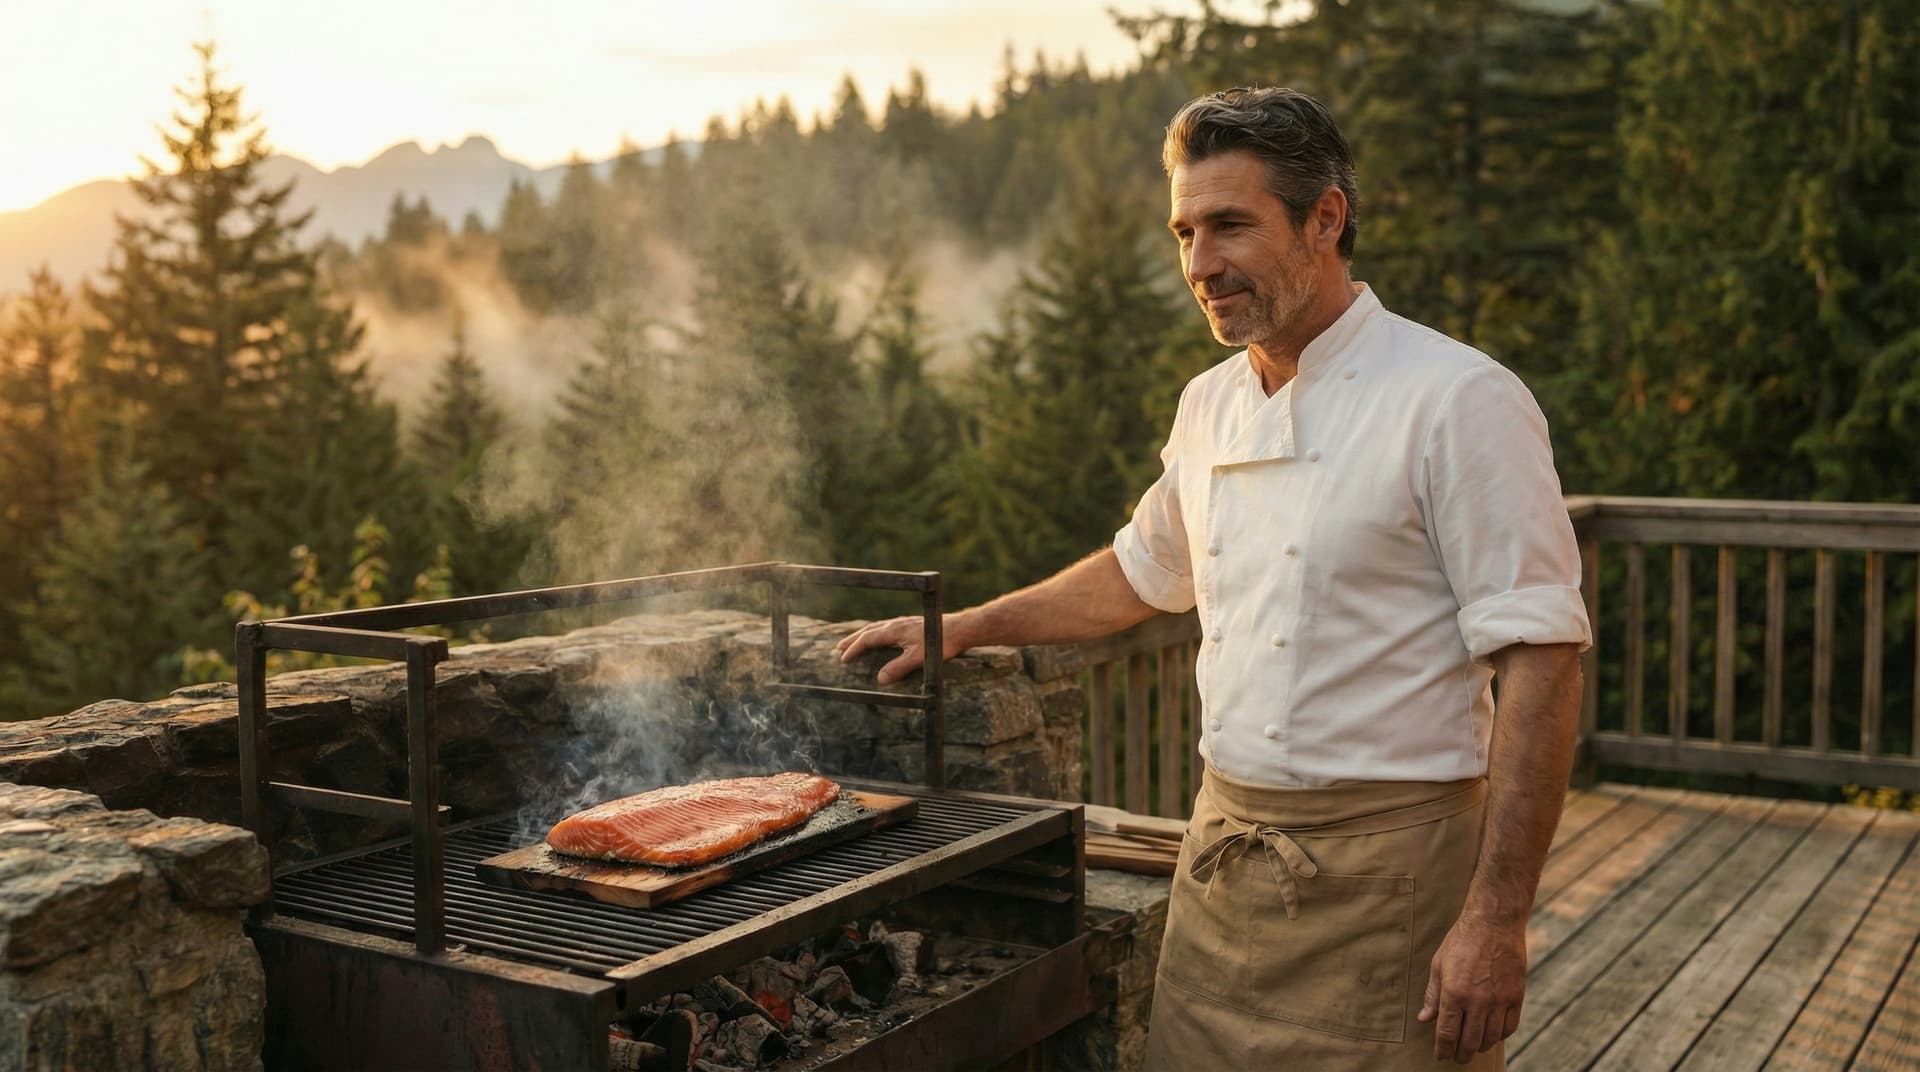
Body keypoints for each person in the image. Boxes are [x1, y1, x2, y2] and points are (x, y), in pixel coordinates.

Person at [836, 86, 1589, 1069]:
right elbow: (1141, 573)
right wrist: (970, 625)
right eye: (1185, 231)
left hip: (1389, 884)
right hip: (1222, 865)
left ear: (1326, 219)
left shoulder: (1459, 401)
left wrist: (1497, 919)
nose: (1200, 265)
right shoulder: (1210, 405)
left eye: (1230, 225)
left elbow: (1543, 660)